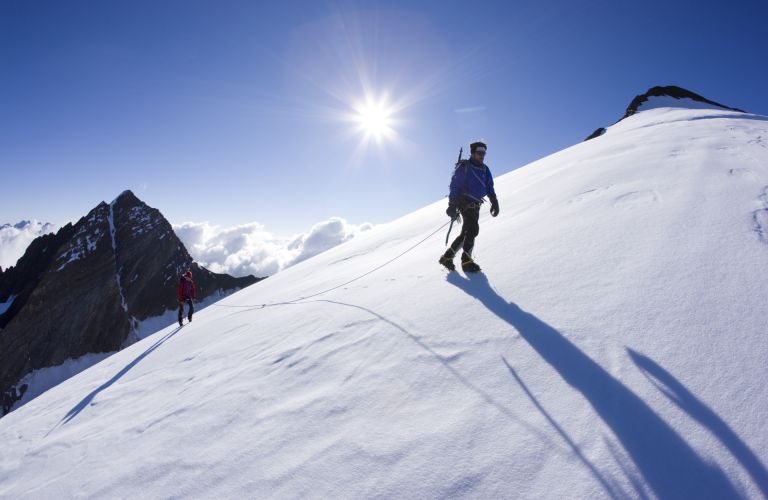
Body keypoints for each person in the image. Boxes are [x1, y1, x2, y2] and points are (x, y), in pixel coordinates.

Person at [439, 140, 499, 273]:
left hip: (476, 204)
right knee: (473, 230)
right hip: (464, 203)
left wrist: (494, 200)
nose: (482, 155)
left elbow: (489, 186)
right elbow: (455, 185)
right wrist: (452, 205)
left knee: (466, 232)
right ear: (472, 153)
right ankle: (466, 261)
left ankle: (447, 257)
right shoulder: (464, 167)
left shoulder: (485, 169)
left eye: (484, 153)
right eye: (479, 153)